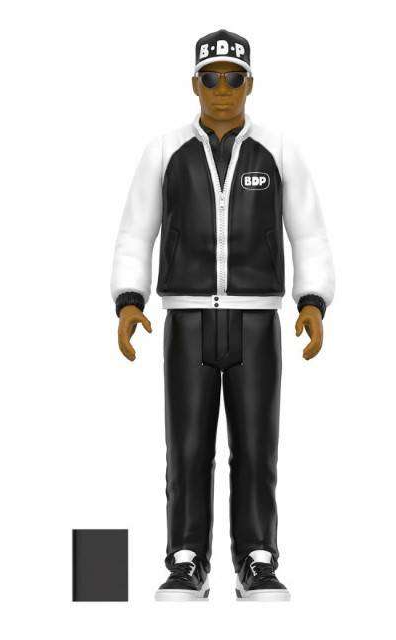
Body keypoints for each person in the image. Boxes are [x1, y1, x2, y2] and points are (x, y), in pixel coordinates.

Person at [111, 29, 335, 601]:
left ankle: (257, 557)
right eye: (210, 78)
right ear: (195, 83)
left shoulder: (278, 150)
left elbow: (308, 232)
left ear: (249, 83)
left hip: (256, 321)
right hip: (186, 321)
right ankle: (187, 557)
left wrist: (312, 301)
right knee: (187, 446)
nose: (222, 89)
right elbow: (136, 231)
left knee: (257, 445)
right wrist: (130, 299)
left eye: (233, 78)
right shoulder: (164, 151)